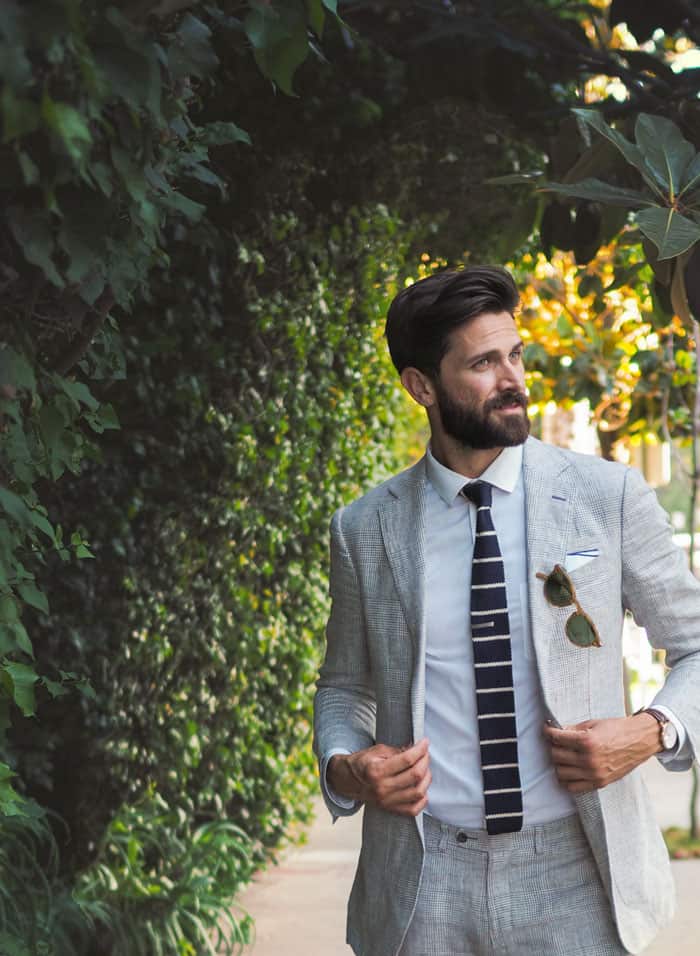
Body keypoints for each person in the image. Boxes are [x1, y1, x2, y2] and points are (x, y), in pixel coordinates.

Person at [313, 265, 700, 956]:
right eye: (485, 363)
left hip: (575, 874)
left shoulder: (605, 496)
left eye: (515, 354)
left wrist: (650, 732)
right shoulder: (364, 528)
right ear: (421, 386)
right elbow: (345, 684)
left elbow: (696, 645)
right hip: (425, 881)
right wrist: (347, 767)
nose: (514, 379)